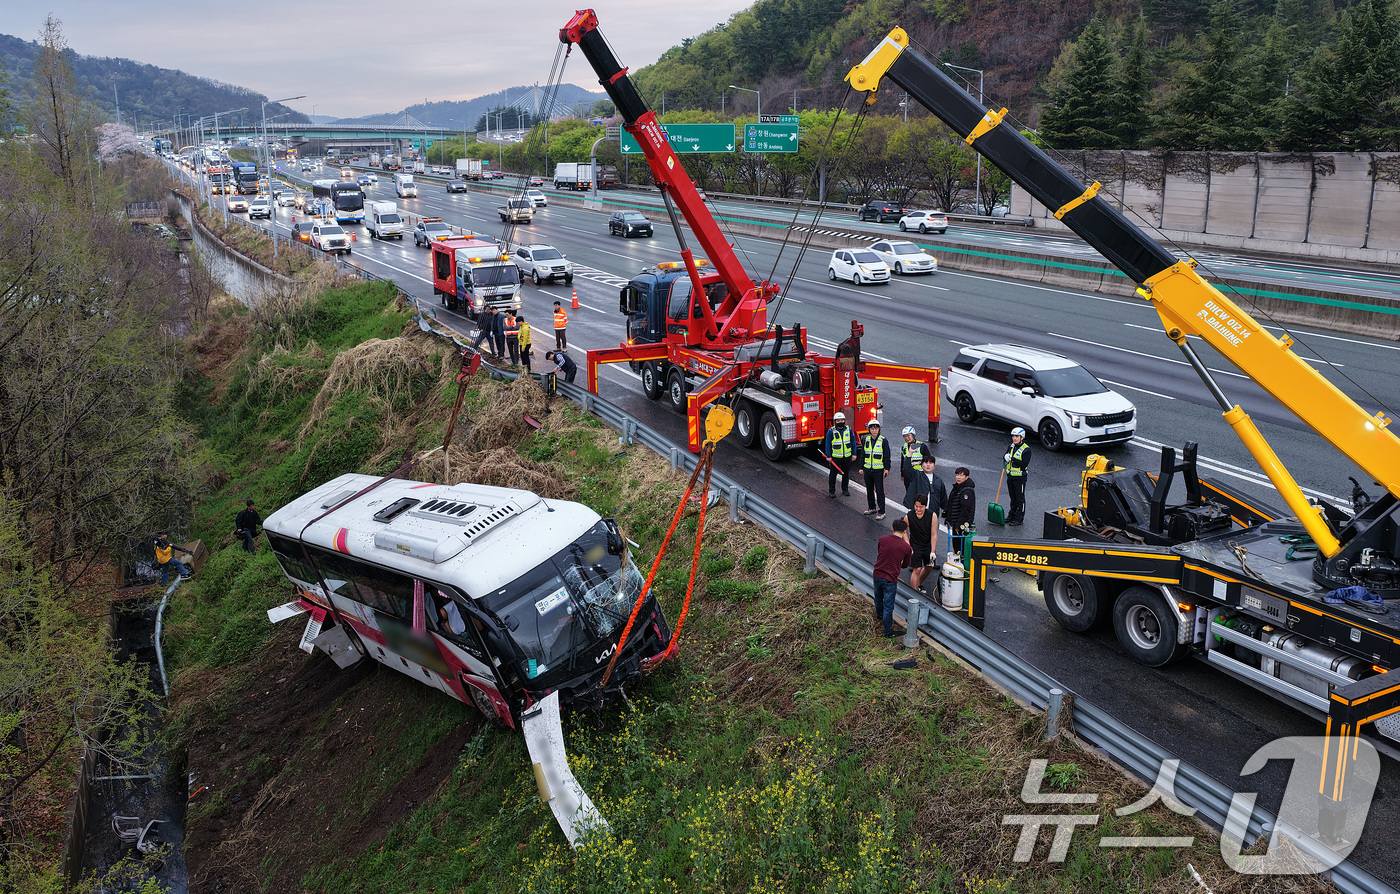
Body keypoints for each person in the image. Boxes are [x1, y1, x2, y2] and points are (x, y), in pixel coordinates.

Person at [904, 455, 947, 564]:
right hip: (918, 513)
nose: (928, 465)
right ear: (921, 464)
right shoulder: (917, 476)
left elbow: (943, 497)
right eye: (926, 462)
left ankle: (930, 559)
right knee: (916, 536)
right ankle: (914, 559)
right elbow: (907, 471)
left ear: (934, 465)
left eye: (931, 463)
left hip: (932, 514)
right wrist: (909, 456)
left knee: (932, 535)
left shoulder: (939, 480)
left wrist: (946, 511)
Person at [873, 518, 912, 637]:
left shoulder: (882, 539)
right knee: (888, 606)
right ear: (905, 531)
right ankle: (887, 632)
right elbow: (905, 565)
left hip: (877, 573)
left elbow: (881, 552)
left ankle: (879, 615)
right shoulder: (906, 548)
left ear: (892, 529)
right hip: (890, 579)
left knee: (878, 598)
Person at [860, 420, 890, 519]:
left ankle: (882, 511)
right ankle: (872, 507)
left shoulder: (883, 440)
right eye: (872, 429)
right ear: (869, 430)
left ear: (879, 429)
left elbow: (886, 455)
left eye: (876, 429)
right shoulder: (866, 440)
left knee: (879, 491)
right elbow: (863, 455)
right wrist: (861, 467)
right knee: (869, 490)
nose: (874, 431)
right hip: (868, 469)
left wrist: (887, 468)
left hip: (878, 470)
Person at [905, 494, 935, 592]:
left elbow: (934, 534)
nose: (918, 509)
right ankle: (915, 593)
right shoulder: (909, 516)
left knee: (929, 567)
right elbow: (904, 531)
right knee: (916, 569)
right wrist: (909, 546)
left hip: (927, 545)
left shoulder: (932, 515)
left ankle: (918, 584)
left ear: (925, 506)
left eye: (921, 507)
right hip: (915, 545)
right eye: (916, 506)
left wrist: (933, 551)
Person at [822, 411, 855, 498]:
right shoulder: (831, 431)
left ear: (844, 421)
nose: (840, 422)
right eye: (838, 420)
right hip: (835, 457)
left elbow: (853, 442)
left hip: (847, 457)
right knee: (833, 475)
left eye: (842, 420)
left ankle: (845, 489)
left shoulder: (849, 429)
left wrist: (854, 454)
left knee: (846, 474)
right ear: (835, 422)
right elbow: (828, 443)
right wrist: (828, 455)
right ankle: (832, 491)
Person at [946, 467, 977, 558]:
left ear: (966, 477)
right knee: (957, 548)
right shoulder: (958, 487)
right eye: (957, 475)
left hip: (961, 527)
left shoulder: (966, 491)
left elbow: (965, 511)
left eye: (961, 475)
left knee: (961, 549)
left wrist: (958, 526)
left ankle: (963, 567)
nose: (958, 477)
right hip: (956, 524)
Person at [1005, 427, 1031, 526]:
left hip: (1020, 478)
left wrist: (1012, 459)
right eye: (1013, 436)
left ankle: (1019, 518)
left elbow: (1024, 464)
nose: (1014, 438)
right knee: (1013, 497)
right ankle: (1011, 515)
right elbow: (1006, 456)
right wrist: (1005, 457)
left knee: (1020, 499)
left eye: (1017, 436)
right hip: (1010, 476)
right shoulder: (1011, 446)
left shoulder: (1026, 450)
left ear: (1022, 437)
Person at [898, 425, 932, 495]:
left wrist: (918, 463)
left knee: (920, 495)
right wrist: (902, 474)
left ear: (913, 435)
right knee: (909, 494)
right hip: (908, 476)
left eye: (908, 436)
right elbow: (903, 462)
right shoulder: (903, 447)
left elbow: (929, 460)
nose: (907, 438)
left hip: (920, 475)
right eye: (904, 436)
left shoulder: (921, 446)